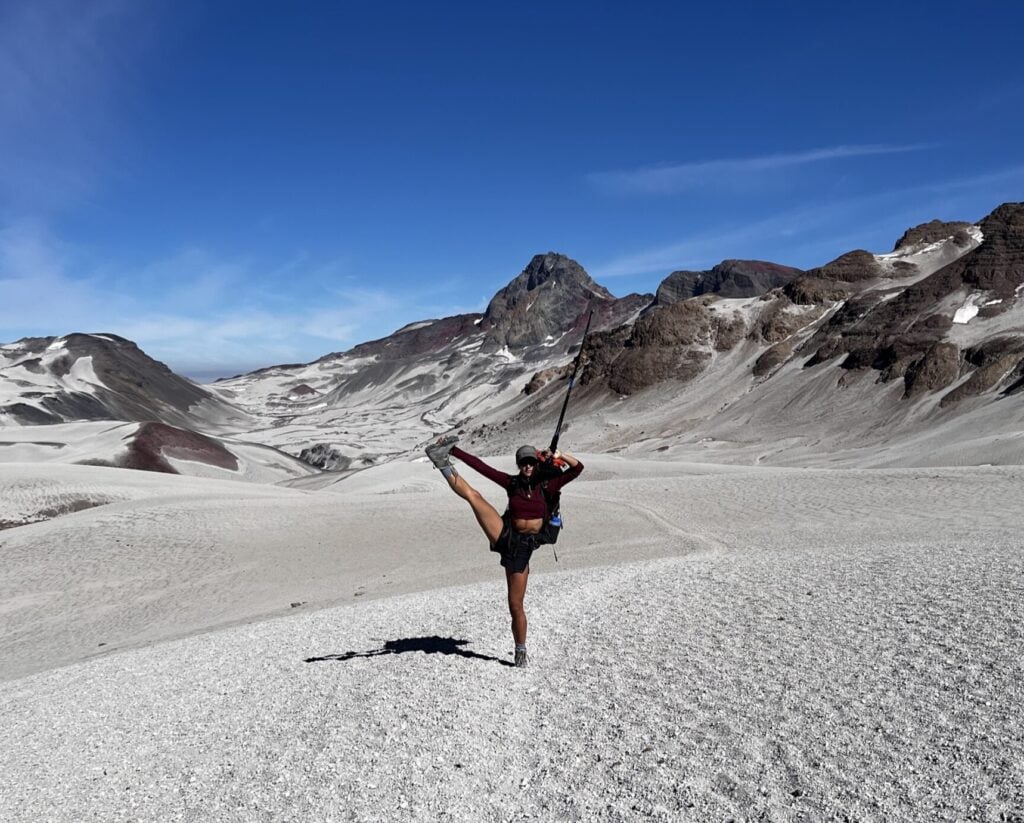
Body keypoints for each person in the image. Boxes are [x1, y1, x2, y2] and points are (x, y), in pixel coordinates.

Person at [425, 435, 584, 668]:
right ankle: (441, 461)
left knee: (515, 604)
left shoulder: (549, 485)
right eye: (523, 463)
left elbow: (578, 468)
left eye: (531, 462)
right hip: (506, 535)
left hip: (524, 548)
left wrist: (560, 455)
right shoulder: (512, 483)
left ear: (536, 463)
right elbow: (482, 467)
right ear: (519, 465)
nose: (528, 466)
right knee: (474, 497)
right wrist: (455, 450)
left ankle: (520, 649)